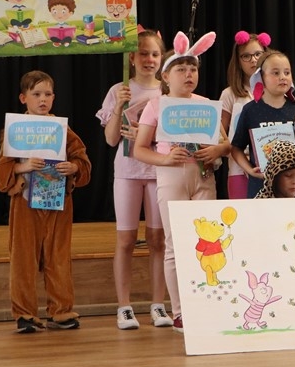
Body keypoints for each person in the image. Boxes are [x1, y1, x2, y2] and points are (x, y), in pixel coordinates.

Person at [133, 32, 225, 333]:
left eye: (193, 69)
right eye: (181, 69)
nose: (189, 74)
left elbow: (225, 143)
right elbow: (139, 149)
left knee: (209, 244)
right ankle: (180, 311)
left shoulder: (205, 104)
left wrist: (217, 151)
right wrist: (165, 159)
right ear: (166, 76)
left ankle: (206, 305)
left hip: (204, 177)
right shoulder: (156, 105)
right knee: (174, 244)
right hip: (171, 176)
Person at [0, 70, 92, 333]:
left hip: (57, 202)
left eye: (48, 94)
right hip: (25, 203)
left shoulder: (61, 128)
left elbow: (81, 157)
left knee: (58, 257)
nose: (43, 99)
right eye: (36, 94)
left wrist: (74, 167)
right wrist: (23, 167)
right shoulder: (16, 129)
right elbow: (2, 169)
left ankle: (61, 311)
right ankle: (24, 314)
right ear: (23, 98)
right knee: (23, 259)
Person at [96, 28, 174, 330]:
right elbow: (110, 139)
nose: (149, 59)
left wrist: (149, 135)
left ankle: (158, 304)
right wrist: (118, 107)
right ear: (132, 57)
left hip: (158, 172)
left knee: (158, 240)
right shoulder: (120, 89)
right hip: (128, 172)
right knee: (126, 240)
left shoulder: (166, 93)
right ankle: (124, 307)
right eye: (143, 53)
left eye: (155, 54)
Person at [230, 50, 295, 199]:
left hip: (293, 191)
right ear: (261, 77)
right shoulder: (250, 110)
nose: (282, 77)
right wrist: (250, 170)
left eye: (287, 72)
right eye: (275, 73)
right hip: (261, 188)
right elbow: (236, 148)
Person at [219, 31, 271, 199]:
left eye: (257, 54)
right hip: (238, 169)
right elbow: (220, 134)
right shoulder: (229, 94)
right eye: (246, 56)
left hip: (271, 167)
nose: (253, 60)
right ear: (238, 61)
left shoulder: (275, 92)